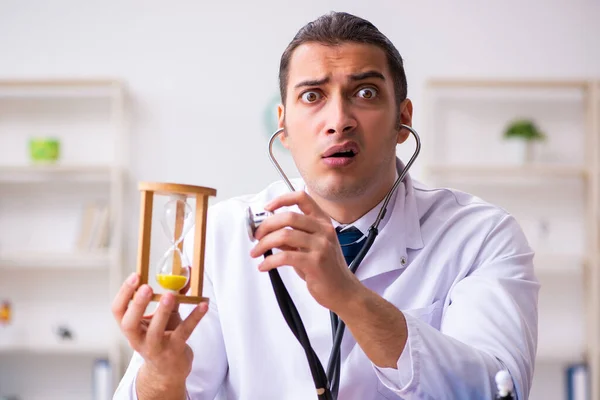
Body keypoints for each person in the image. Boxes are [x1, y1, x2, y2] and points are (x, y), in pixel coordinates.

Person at [112, 11, 539, 400]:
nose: (339, 119)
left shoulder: (482, 236)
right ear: (283, 125)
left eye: (366, 92)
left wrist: (349, 296)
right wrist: (163, 376)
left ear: (403, 121)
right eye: (313, 96)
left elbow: (498, 391)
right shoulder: (221, 235)